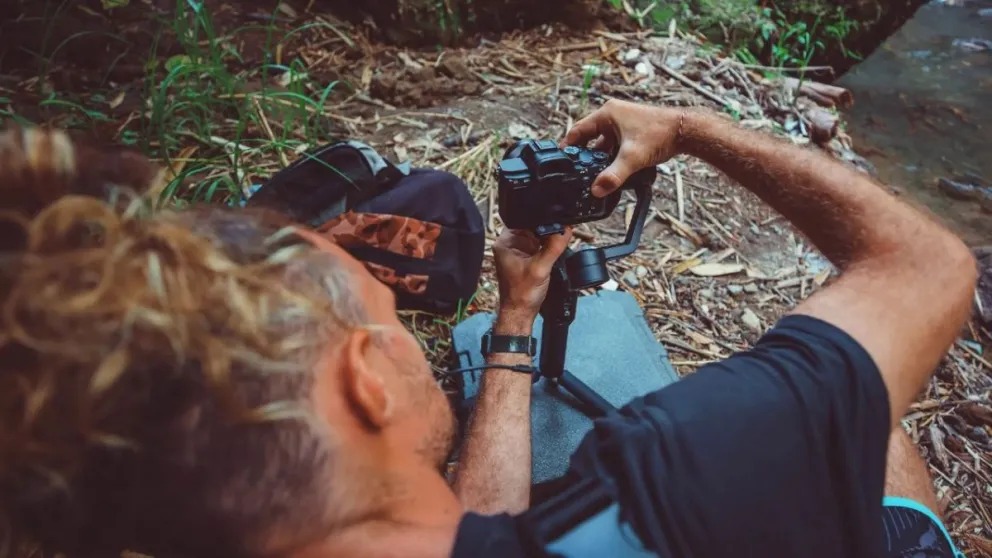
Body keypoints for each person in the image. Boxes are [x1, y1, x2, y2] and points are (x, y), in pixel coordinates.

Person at [0, 95, 973, 558]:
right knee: (868, 421)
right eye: (388, 318)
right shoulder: (677, 474)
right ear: (366, 382)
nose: (407, 334)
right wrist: (692, 130)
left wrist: (512, 321)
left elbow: (485, 536)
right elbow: (925, 270)